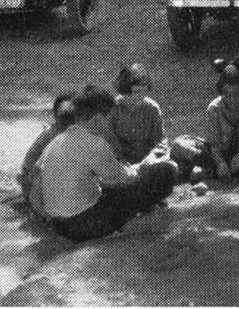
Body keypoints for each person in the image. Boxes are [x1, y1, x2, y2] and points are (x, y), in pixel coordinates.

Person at [30, 87, 176, 242]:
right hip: (84, 224)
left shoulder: (56, 141)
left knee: (109, 190)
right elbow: (125, 179)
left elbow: (35, 191)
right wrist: (144, 166)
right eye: (109, 118)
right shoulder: (95, 143)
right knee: (166, 171)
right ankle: (140, 221)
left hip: (59, 225)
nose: (110, 124)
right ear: (98, 119)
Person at [172, 57, 239, 181]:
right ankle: (218, 169)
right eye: (227, 95)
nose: (232, 99)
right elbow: (213, 145)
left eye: (237, 95)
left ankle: (211, 172)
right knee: (179, 145)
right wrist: (220, 162)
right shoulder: (214, 108)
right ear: (221, 92)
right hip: (218, 156)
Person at [106, 64, 172, 166]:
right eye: (137, 92)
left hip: (147, 161)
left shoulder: (152, 108)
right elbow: (109, 142)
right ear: (125, 91)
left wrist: (152, 157)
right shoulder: (112, 110)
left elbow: (160, 140)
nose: (141, 96)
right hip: (120, 162)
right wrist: (121, 161)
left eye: (144, 92)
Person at [19, 92, 76, 203]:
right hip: (38, 188)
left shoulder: (76, 135)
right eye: (65, 118)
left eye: (71, 118)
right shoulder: (50, 137)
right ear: (55, 116)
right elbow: (28, 171)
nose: (69, 122)